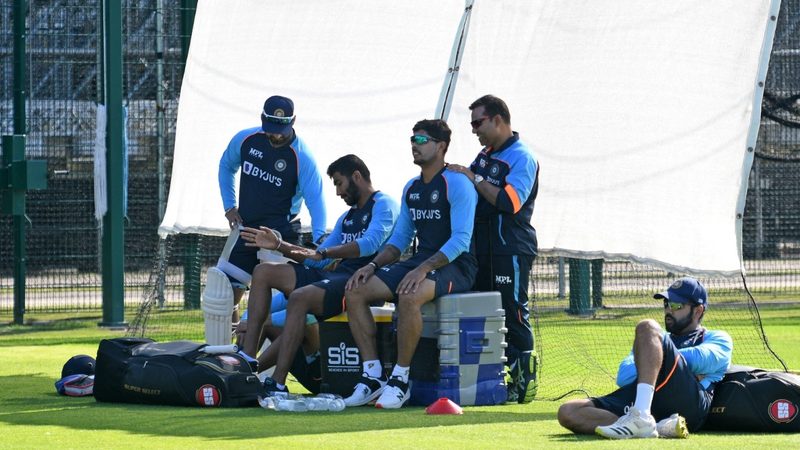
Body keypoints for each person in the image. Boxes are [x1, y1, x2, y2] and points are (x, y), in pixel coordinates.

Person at [343, 119, 478, 409]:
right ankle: (373, 376)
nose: (414, 145)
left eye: (421, 140)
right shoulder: (411, 187)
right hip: (422, 262)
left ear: (441, 146)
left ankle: (400, 380)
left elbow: (461, 240)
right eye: (412, 139)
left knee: (409, 294)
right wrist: (372, 266)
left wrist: (423, 268)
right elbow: (400, 239)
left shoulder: (457, 183)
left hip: (457, 264)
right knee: (355, 289)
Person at [239, 154, 399, 395]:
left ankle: (277, 383)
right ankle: (247, 361)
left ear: (356, 176)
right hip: (336, 277)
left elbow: (370, 244)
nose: (338, 192)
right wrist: (280, 246)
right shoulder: (347, 217)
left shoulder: (384, 204)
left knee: (299, 298)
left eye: (339, 183)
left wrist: (324, 253)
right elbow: (318, 258)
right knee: (262, 272)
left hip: (361, 283)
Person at [447, 94, 540, 403]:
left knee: (513, 312)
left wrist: (473, 177)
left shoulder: (522, 157)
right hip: (481, 250)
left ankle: (524, 384)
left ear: (497, 120)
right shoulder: (485, 155)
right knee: (483, 312)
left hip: (510, 248)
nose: (474, 130)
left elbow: (510, 202)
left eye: (478, 123)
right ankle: (490, 381)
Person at [557, 277, 733, 439]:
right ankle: (651, 426)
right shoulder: (654, 339)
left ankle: (641, 417)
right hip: (647, 400)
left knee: (647, 326)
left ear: (698, 311)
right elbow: (623, 375)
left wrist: (652, 361)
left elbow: (701, 359)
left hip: (688, 406)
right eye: (666, 304)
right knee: (569, 411)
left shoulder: (717, 338)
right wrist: (657, 358)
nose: (668, 310)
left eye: (676, 305)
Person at [218, 95, 327, 322]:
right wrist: (229, 206)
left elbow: (316, 201)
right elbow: (226, 166)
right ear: (262, 118)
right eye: (271, 129)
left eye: (282, 129)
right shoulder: (246, 139)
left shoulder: (302, 157)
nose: (276, 135)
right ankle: (230, 345)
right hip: (247, 229)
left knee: (281, 303)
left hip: (281, 234)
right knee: (222, 297)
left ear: (293, 121)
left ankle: (272, 345)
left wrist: (319, 240)